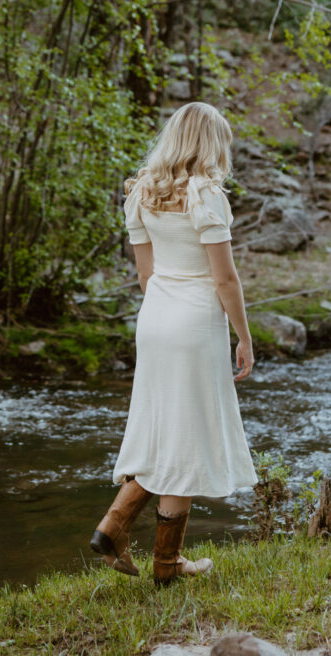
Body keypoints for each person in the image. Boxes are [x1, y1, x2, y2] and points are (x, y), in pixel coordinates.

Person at [90, 101, 257, 586]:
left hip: (156, 320)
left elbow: (146, 274)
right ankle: (160, 560)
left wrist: (163, 312)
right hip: (194, 324)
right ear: (209, 144)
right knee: (184, 439)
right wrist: (243, 337)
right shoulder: (206, 194)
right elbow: (225, 280)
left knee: (164, 430)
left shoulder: (140, 190)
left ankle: (120, 529)